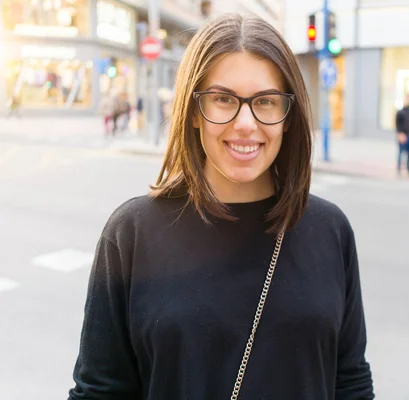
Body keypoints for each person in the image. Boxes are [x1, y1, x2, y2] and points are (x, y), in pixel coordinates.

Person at [67, 14, 374, 400]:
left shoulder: (330, 230)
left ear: (288, 116)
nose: (245, 122)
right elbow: (99, 390)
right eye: (223, 99)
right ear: (194, 111)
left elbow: (350, 382)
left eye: (265, 101)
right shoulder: (132, 233)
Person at [395, 94, 409, 176]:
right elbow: (397, 125)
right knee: (401, 153)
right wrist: (400, 134)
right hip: (403, 135)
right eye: (407, 99)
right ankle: (399, 169)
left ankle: (408, 169)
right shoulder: (400, 112)